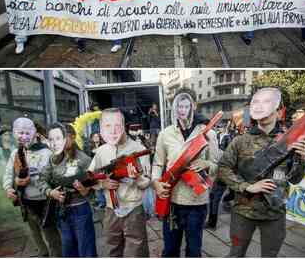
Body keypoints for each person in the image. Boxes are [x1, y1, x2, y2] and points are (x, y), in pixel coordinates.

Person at [218, 87, 305, 257]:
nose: (261, 107)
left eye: (267, 102)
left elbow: (295, 179)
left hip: (275, 214)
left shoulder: (290, 141)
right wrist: (247, 186)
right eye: (257, 102)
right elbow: (223, 169)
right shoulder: (240, 141)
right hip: (243, 212)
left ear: (278, 109)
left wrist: (302, 159)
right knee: (236, 254)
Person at [152, 89, 216, 257]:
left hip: (197, 203)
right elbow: (158, 163)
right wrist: (155, 183)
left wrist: (206, 163)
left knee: (194, 251)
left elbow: (218, 165)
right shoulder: (165, 134)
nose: (182, 110)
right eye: (178, 105)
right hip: (172, 201)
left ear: (193, 106)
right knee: (170, 250)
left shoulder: (208, 133)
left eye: (186, 105)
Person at [88, 108, 151, 257]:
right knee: (112, 249)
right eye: (108, 126)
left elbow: (146, 183)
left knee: (137, 251)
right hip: (111, 210)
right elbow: (91, 178)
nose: (113, 130)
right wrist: (104, 184)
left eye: (117, 125)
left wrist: (137, 178)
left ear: (124, 125)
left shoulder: (139, 149)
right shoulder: (101, 152)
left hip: (133, 209)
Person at [3, 117, 62, 257]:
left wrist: (31, 178)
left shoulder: (46, 152)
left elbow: (48, 176)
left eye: (27, 132)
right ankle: (43, 254)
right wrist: (8, 188)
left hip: (45, 201)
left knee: (51, 234)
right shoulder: (15, 153)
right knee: (34, 233)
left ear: (34, 133)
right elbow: (8, 173)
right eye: (20, 132)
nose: (23, 136)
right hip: (26, 201)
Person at [40, 123, 97, 257]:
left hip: (81, 210)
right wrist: (50, 192)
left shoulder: (84, 160)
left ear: (73, 137)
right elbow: (42, 179)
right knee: (68, 250)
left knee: (86, 250)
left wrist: (86, 191)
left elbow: (96, 188)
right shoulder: (53, 159)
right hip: (62, 211)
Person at [206, 126, 234, 229]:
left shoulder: (227, 139)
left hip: (223, 173)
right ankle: (211, 222)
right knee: (213, 197)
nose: (219, 129)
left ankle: (212, 223)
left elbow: (224, 156)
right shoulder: (217, 137)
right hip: (221, 172)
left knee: (214, 198)